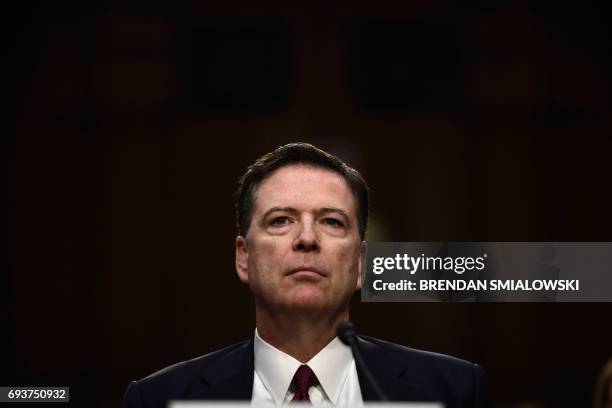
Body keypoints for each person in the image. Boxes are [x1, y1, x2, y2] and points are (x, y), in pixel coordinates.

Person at [123, 142, 495, 408]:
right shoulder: (159, 398)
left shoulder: (454, 391)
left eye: (331, 222)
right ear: (243, 258)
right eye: (281, 220)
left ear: (361, 264)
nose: (306, 239)